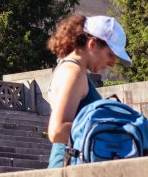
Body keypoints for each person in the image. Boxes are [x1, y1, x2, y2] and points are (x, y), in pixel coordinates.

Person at [46, 14, 131, 168]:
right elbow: (57, 131)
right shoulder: (74, 72)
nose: (112, 63)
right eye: (110, 54)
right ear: (92, 44)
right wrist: (109, 131)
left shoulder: (71, 68)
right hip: (68, 171)